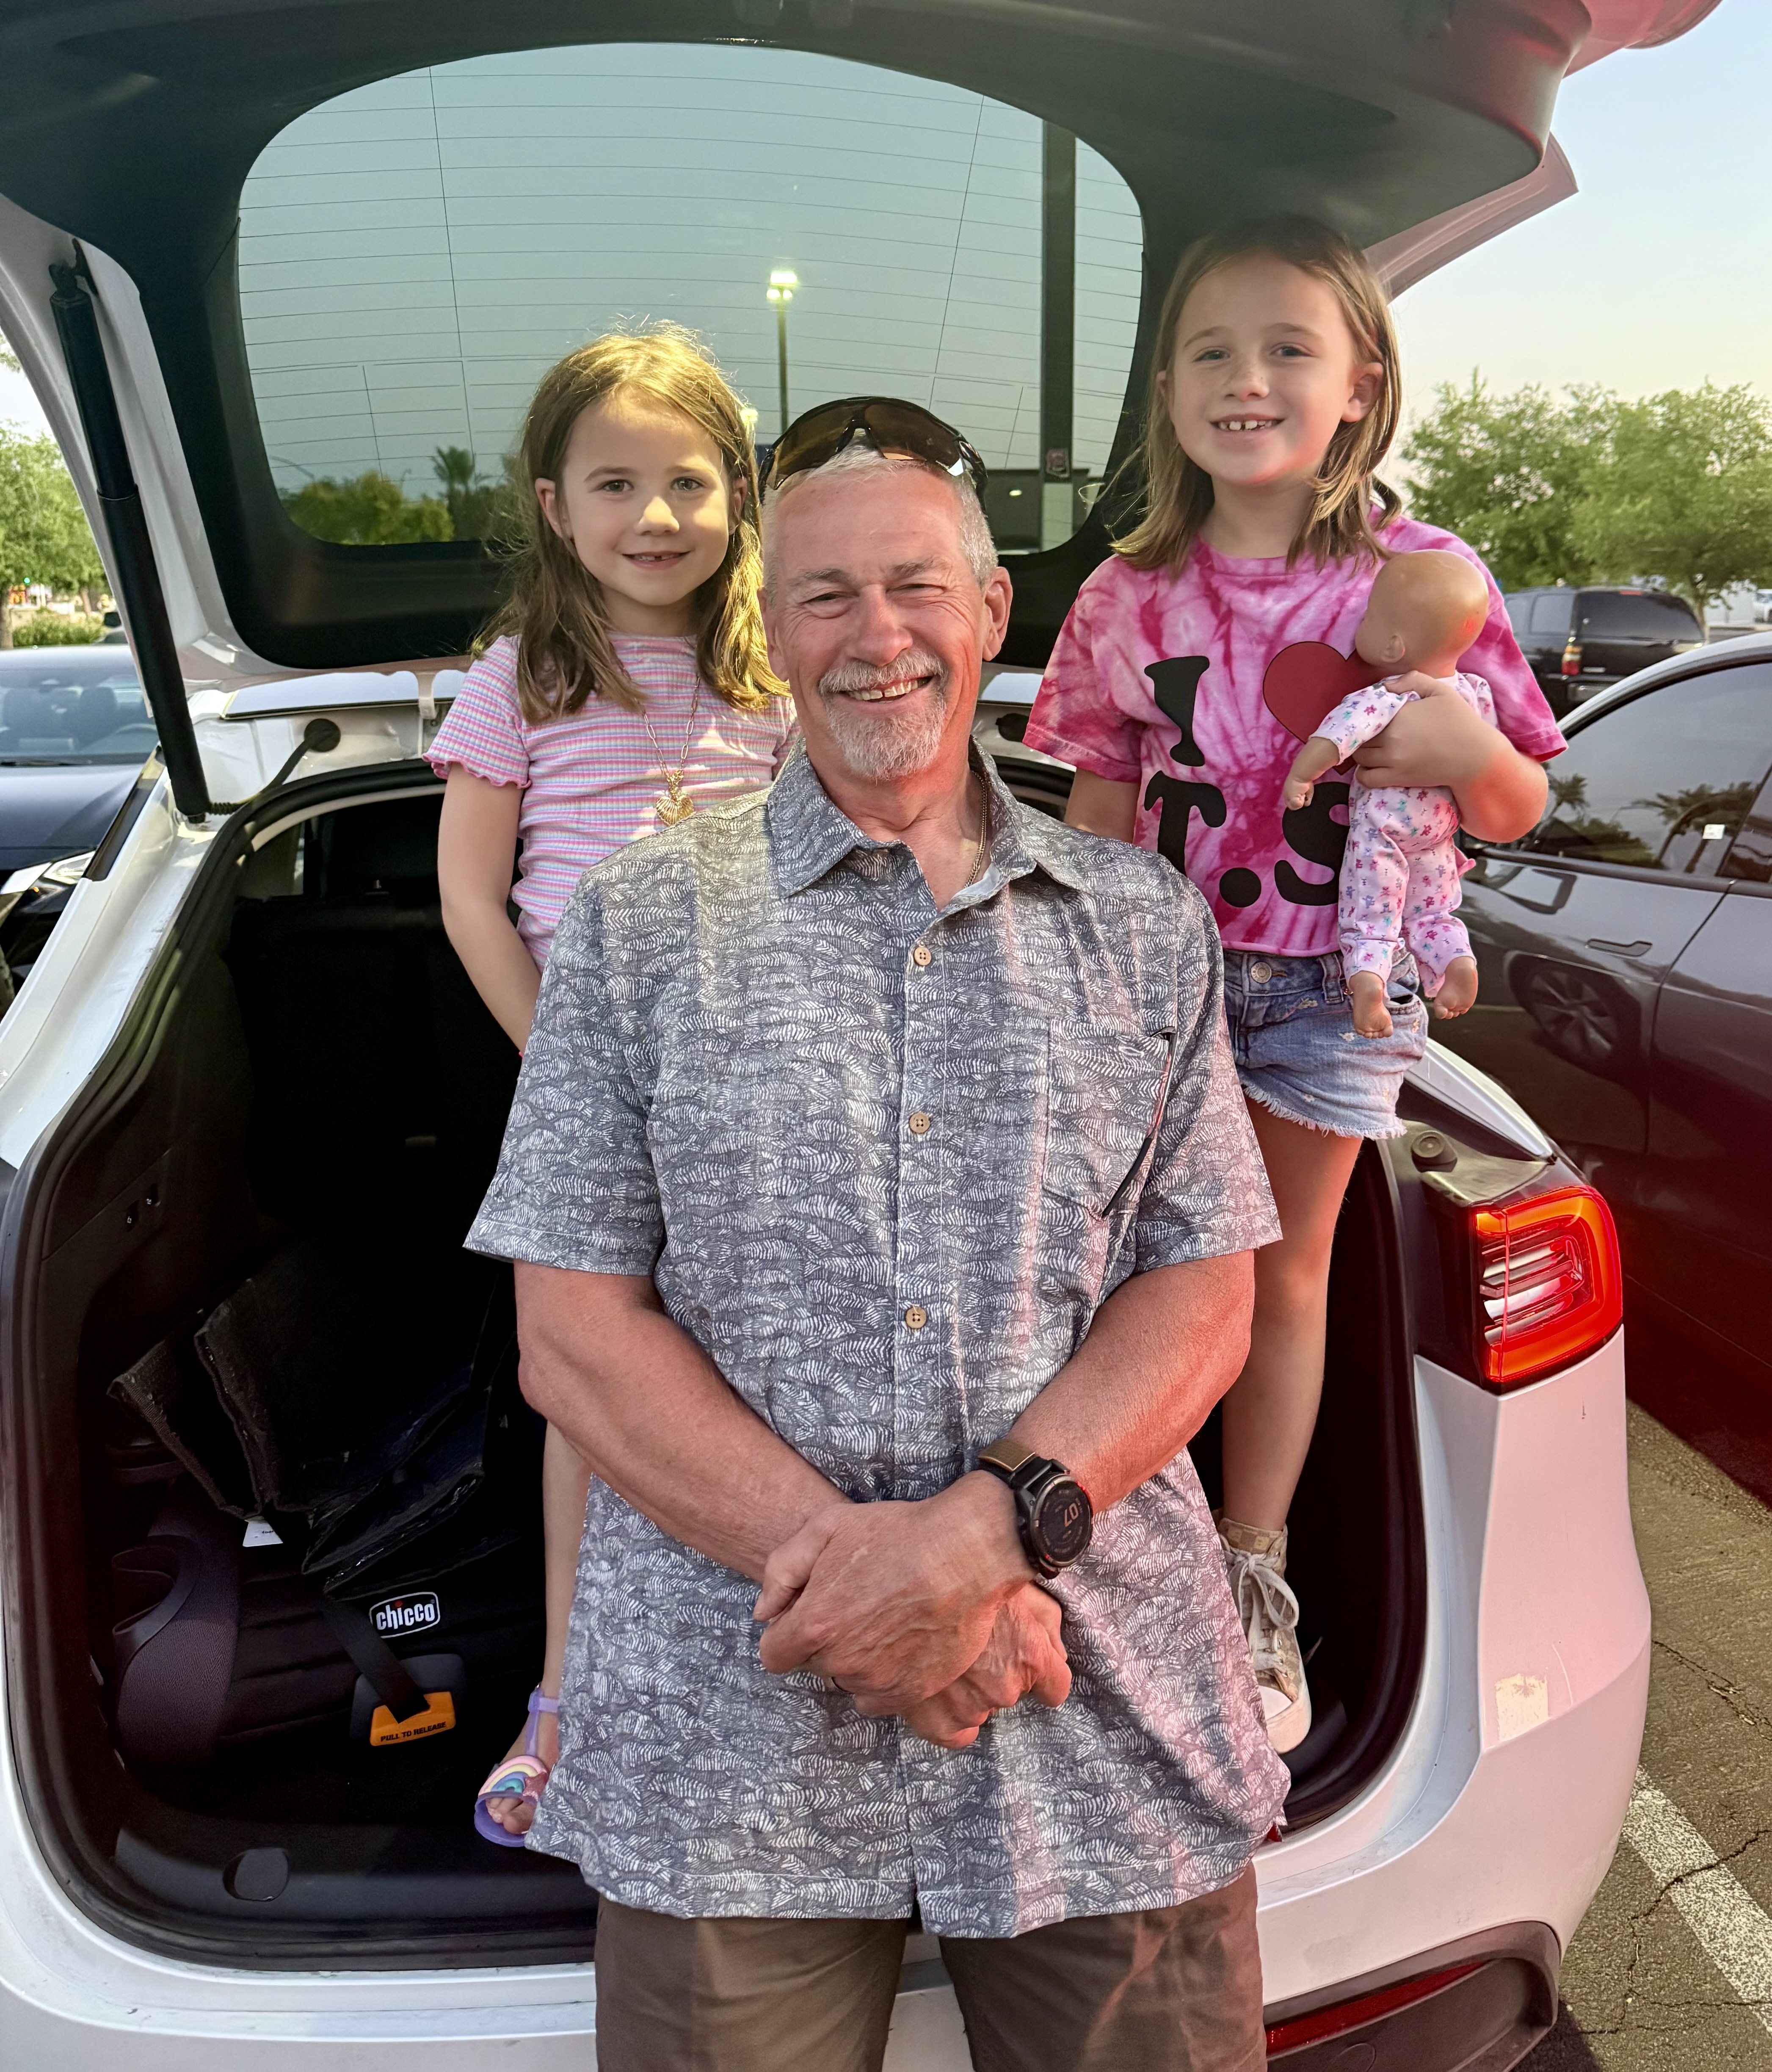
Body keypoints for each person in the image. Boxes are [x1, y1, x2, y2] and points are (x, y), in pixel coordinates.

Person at [466, 395, 1291, 2071]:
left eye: (915, 585)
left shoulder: (1139, 924)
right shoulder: (636, 922)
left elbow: (1205, 1292)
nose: (876, 634)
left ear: (989, 608)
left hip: (1095, 1707)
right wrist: (888, 1591)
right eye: (824, 595)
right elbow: (572, 1333)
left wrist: (977, 1543)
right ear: (770, 635)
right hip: (725, 1740)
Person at [1024, 217, 1565, 1756]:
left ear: (1358, 385)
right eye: (1210, 350)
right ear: (1167, 390)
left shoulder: (1428, 578)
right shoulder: (1128, 593)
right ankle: (1111, 1555)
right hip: (1168, 985)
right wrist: (1080, 987)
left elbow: (1518, 799)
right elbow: (1100, 809)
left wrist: (1469, 751)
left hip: (1338, 989)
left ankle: (1248, 1568)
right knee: (1126, 1274)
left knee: (1278, 1274)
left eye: (1285, 349)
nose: (1244, 379)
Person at [423, 327, 796, 1843]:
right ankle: (568, 1691)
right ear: (553, 505)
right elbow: (469, 897)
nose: (656, 513)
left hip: (747, 1084)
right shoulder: (519, 676)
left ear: (739, 496)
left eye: (689, 480)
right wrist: (562, 1064)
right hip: (582, 1088)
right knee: (591, 1388)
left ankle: (750, 1674)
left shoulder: (772, 678)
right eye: (616, 482)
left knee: (748, 1378)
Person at [1280, 548, 1496, 1038]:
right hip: (1439, 830)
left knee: (1372, 914)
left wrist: (1301, 776)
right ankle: (1456, 961)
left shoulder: (1390, 694)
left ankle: (1368, 988)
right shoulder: (1474, 692)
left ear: (1394, 644)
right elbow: (1487, 752)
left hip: (1385, 830)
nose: (1361, 622)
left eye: (1370, 617)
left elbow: (1337, 736)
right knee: (1433, 910)